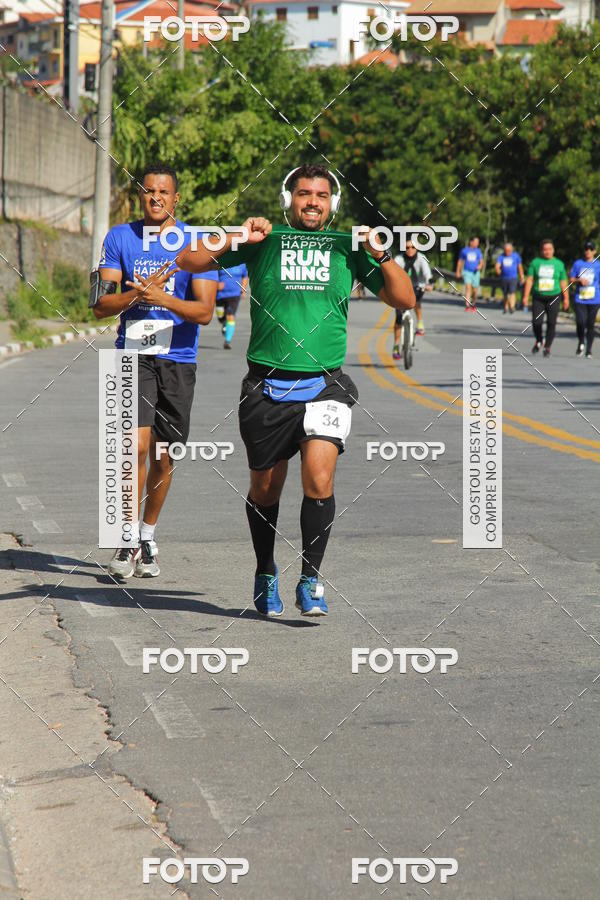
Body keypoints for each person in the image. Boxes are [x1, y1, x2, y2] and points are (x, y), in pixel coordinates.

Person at [177, 163, 415, 617]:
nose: (312, 201)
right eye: (304, 193)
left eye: (321, 196)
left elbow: (404, 300)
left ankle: (311, 577)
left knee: (319, 478)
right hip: (265, 388)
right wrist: (237, 235)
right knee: (265, 490)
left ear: (333, 204)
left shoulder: (348, 248)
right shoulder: (264, 241)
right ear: (289, 200)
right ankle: (266, 569)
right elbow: (188, 261)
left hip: (325, 385)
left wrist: (381, 254)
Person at [93, 163, 218, 578]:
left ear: (176, 198)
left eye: (164, 192)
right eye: (149, 192)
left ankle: (148, 534)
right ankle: (126, 538)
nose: (156, 198)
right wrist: (135, 294)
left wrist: (162, 298)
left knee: (165, 456)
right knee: (133, 449)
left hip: (178, 360)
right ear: (140, 196)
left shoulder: (196, 245)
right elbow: (100, 305)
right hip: (131, 355)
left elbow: (203, 313)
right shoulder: (119, 237)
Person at [522, 239, 569, 358]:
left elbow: (563, 282)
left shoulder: (559, 264)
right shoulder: (536, 262)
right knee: (536, 322)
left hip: (554, 296)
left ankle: (547, 347)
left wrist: (566, 298)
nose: (547, 252)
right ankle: (539, 340)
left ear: (553, 250)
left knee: (551, 323)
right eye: (545, 249)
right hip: (539, 297)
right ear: (541, 251)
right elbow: (530, 280)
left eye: (549, 249)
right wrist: (525, 296)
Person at [393, 239, 433, 358]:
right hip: (401, 289)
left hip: (418, 286)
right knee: (399, 318)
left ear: (417, 248)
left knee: (416, 301)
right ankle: (396, 345)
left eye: (413, 247)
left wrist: (429, 284)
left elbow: (427, 273)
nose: (410, 250)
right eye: (407, 247)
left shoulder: (421, 258)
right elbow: (393, 271)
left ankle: (420, 323)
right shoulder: (399, 259)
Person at [570, 240, 600, 358]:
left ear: (594, 251)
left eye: (590, 249)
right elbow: (571, 278)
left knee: (590, 324)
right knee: (580, 322)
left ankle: (589, 350)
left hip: (594, 298)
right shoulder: (578, 263)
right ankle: (581, 341)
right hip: (580, 298)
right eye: (586, 249)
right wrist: (579, 280)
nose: (588, 251)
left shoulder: (598, 265)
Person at [216, 263, 248, 349]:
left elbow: (245, 276)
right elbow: (213, 274)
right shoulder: (223, 260)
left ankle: (227, 341)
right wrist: (216, 284)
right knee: (220, 315)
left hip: (234, 294)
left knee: (230, 316)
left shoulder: (242, 263)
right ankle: (223, 322)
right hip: (220, 295)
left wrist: (243, 289)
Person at [495, 242, 524, 314]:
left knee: (512, 292)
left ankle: (512, 306)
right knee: (505, 293)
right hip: (504, 278)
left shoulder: (516, 256)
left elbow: (519, 267)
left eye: (509, 250)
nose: (507, 252)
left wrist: (522, 276)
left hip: (513, 277)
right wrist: (498, 270)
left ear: (511, 250)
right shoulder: (501, 256)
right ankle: (506, 307)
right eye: (506, 250)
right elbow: (497, 265)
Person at [456, 236, 483, 312]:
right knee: (468, 288)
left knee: (474, 290)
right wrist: (458, 271)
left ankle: (473, 304)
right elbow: (460, 261)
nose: (477, 243)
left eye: (478, 242)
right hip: (467, 271)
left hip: (475, 273)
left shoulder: (478, 251)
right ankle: (467, 305)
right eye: (476, 242)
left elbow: (481, 262)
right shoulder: (464, 251)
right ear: (471, 242)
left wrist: (479, 266)